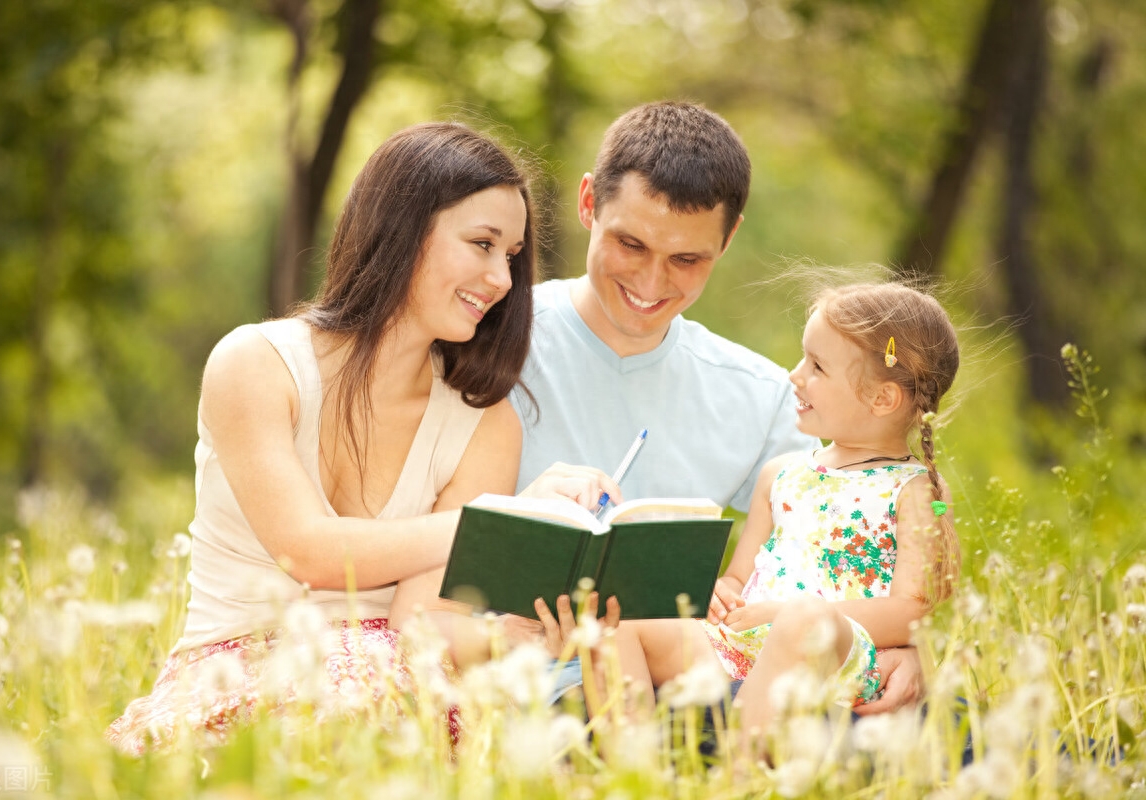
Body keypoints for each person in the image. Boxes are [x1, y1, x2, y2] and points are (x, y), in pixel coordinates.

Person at [106, 122, 617, 755]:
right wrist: (499, 521)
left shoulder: (485, 421)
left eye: (510, 256)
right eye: (482, 243)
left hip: (395, 694)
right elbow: (311, 553)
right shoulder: (255, 364)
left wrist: (525, 634)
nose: (503, 279)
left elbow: (421, 627)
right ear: (402, 227)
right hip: (237, 678)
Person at [512, 101, 924, 707]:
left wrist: (901, 647)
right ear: (588, 202)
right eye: (631, 244)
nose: (652, 284)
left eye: (687, 259)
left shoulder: (763, 396)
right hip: (512, 683)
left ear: (728, 239)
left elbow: (839, 550)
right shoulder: (492, 343)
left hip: (696, 698)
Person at [611, 282, 961, 748]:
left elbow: (912, 611)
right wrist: (721, 593)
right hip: (741, 647)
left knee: (803, 620)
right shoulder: (781, 475)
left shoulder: (914, 489)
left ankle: (738, 777)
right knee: (622, 625)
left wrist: (787, 617)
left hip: (831, 658)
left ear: (882, 399)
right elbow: (740, 578)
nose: (795, 376)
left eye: (817, 366)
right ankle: (632, 771)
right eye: (803, 358)